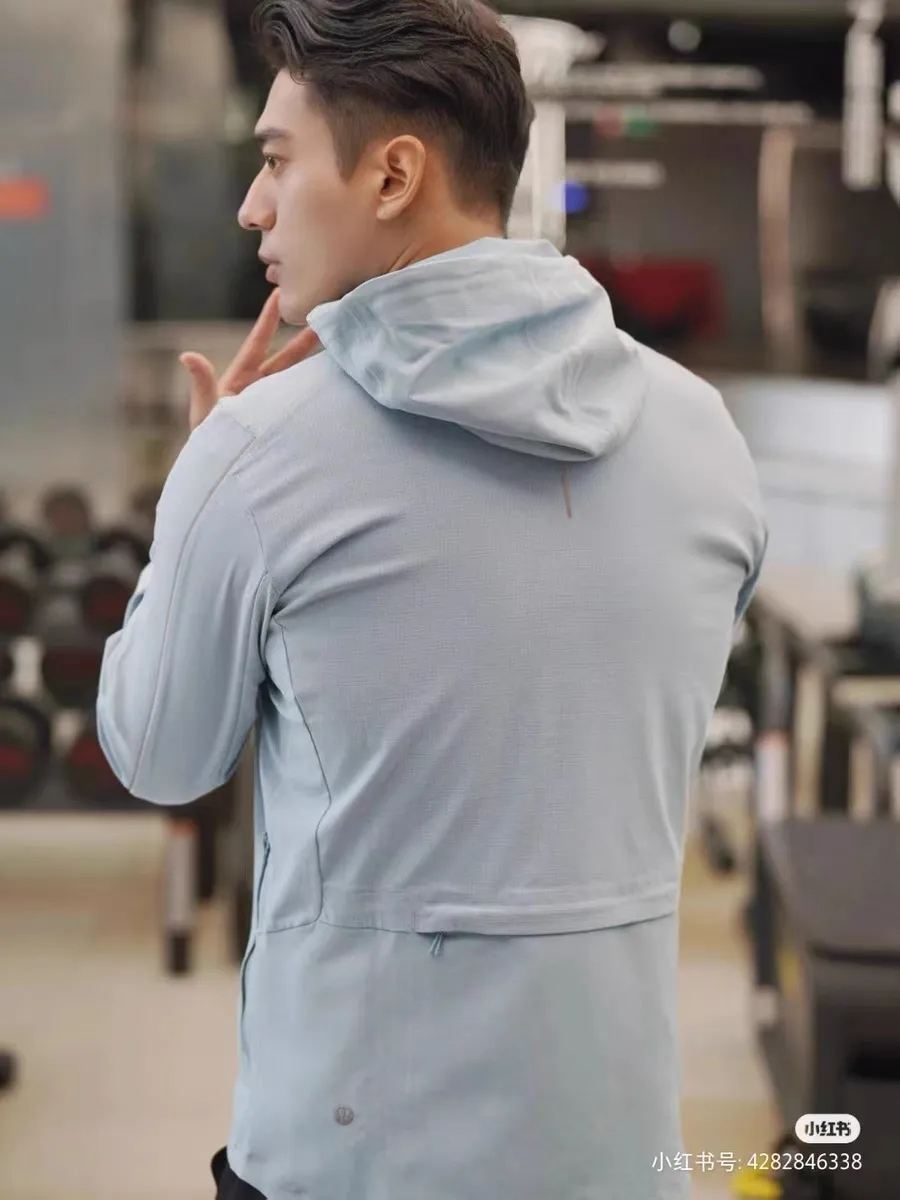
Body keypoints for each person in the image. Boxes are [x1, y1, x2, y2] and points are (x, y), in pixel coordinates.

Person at [96, 1, 767, 1197]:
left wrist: (192, 507)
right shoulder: (705, 434)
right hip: (616, 1154)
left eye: (276, 160)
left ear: (394, 173)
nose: (252, 205)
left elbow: (160, 754)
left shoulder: (260, 454)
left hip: (347, 1163)